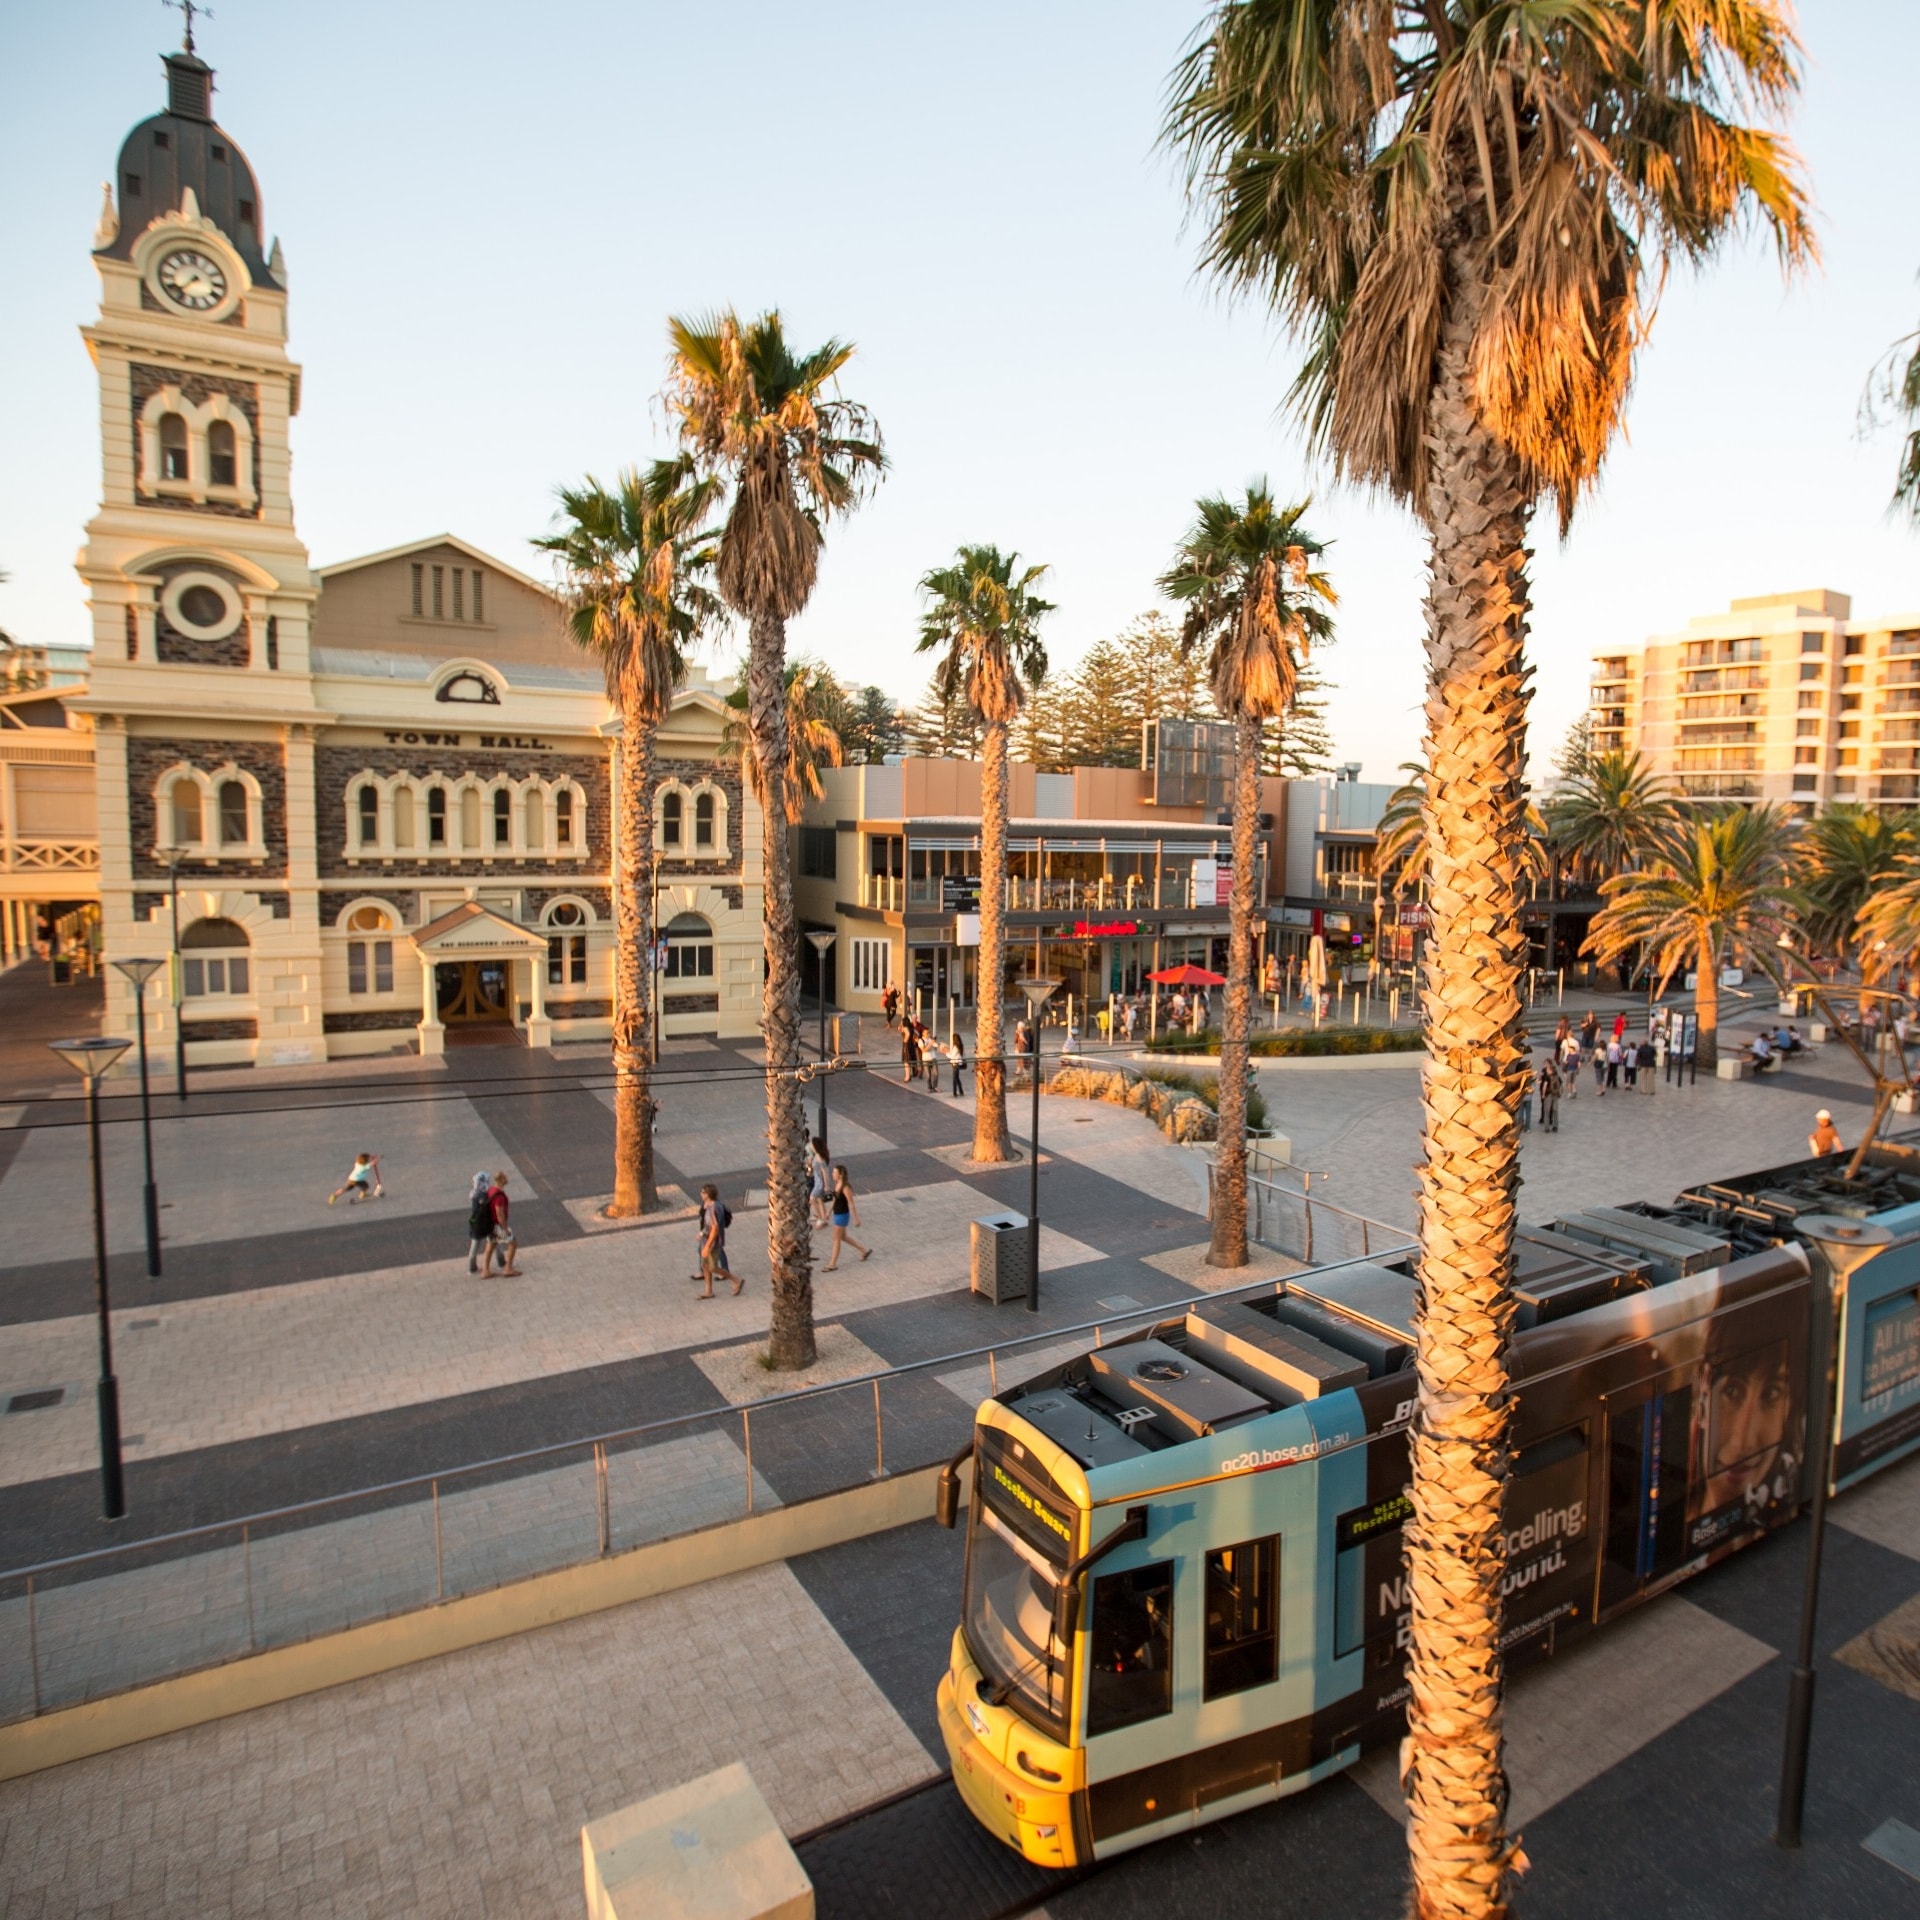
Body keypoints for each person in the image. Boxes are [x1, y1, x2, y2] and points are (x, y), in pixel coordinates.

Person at [821, 1164, 870, 1269]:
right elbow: (835, 1199)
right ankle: (863, 1250)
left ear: (840, 1175)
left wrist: (856, 1219)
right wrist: (829, 1212)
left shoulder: (845, 1187)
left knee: (836, 1239)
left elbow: (851, 1203)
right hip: (837, 1214)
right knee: (843, 1237)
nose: (832, 1174)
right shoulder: (837, 1184)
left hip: (842, 1215)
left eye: (834, 1172)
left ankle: (832, 1264)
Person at [695, 1182, 738, 1297]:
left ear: (708, 1194)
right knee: (705, 1266)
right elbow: (707, 1226)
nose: (701, 1193)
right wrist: (701, 1233)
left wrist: (707, 1246)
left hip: (713, 1242)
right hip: (707, 1240)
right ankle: (708, 1291)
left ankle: (735, 1280)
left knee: (712, 1267)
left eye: (703, 1192)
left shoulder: (713, 1208)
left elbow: (714, 1228)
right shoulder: (710, 1205)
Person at [485, 1170, 520, 1276]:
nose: (507, 1179)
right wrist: (505, 1229)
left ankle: (485, 1270)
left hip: (490, 1224)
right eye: (505, 1177)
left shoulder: (491, 1190)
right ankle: (508, 1268)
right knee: (512, 1243)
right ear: (501, 1180)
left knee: (491, 1245)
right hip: (497, 1226)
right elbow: (500, 1215)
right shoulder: (499, 1197)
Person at [465, 1170, 494, 1274]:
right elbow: (485, 1206)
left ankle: (472, 1267)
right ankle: (501, 1261)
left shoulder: (474, 1192)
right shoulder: (482, 1195)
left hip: (476, 1222)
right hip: (483, 1222)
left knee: (475, 1244)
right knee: (492, 1241)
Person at [807, 1136, 832, 1227]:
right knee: (819, 1200)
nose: (810, 1146)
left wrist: (826, 1186)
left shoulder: (820, 1158)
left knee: (812, 1199)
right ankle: (823, 1218)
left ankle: (820, 1218)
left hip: (820, 1183)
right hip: (817, 1180)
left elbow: (825, 1172)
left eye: (812, 1144)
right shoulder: (816, 1156)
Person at [1537, 1055, 1561, 1133]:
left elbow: (1544, 1086)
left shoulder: (1548, 1077)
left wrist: (1543, 1094)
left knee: (1546, 1110)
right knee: (1555, 1110)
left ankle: (1547, 1127)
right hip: (1555, 1094)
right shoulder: (1556, 1076)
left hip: (1548, 1094)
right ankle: (1555, 1126)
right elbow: (1561, 1084)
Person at [948, 1033, 967, 1097]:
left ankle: (954, 1093)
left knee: (954, 1079)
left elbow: (952, 1056)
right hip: (958, 1063)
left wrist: (945, 1052)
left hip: (955, 1063)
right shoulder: (960, 1046)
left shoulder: (956, 1047)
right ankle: (961, 1091)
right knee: (957, 1078)